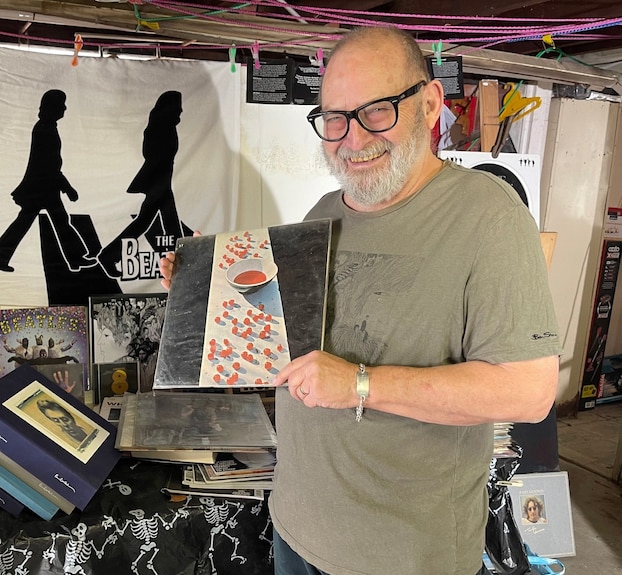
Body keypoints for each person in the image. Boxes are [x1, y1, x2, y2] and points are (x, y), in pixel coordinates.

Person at [160, 26, 561, 575]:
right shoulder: (324, 209)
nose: (352, 138)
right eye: (334, 118)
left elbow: (529, 391)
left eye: (376, 111)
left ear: (429, 104)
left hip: (402, 557)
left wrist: (360, 384)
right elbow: (284, 340)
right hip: (296, 528)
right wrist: (204, 295)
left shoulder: (489, 219)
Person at [0, 90, 95, 273]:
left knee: (49, 222)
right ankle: (75, 258)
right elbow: (49, 164)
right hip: (42, 187)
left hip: (43, 186)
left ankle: (75, 259)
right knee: (45, 222)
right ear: (53, 107)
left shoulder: (46, 126)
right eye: (62, 104)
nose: (65, 108)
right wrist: (67, 188)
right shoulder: (45, 129)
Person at [97, 91, 185, 278]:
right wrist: (155, 181)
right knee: (166, 226)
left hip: (162, 183)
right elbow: (151, 155)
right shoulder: (160, 128)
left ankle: (108, 255)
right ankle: (107, 256)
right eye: (178, 108)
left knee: (155, 224)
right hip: (158, 183)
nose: (180, 111)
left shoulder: (165, 127)